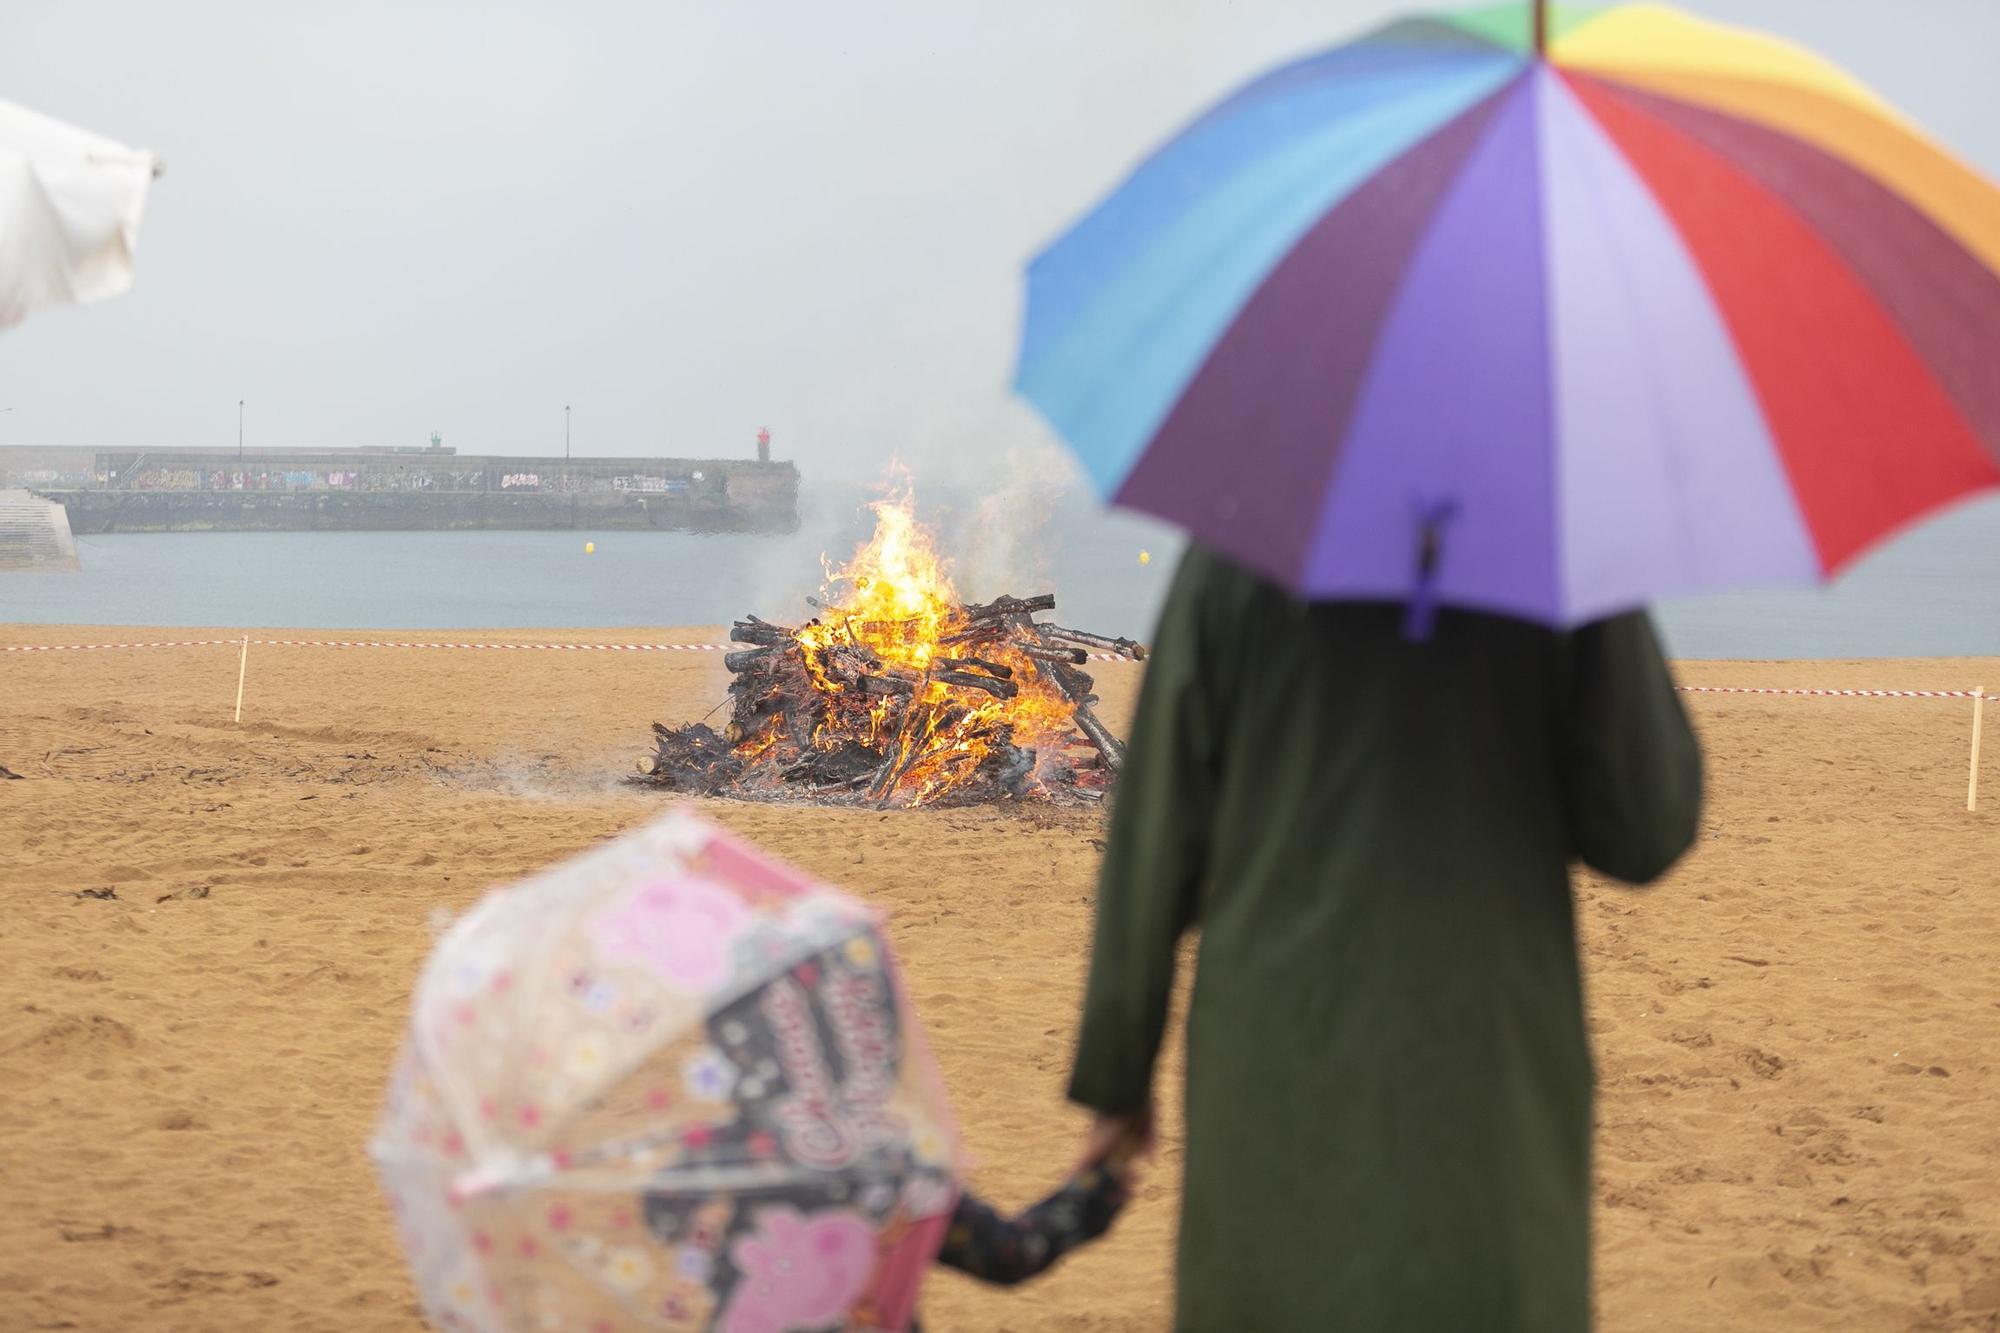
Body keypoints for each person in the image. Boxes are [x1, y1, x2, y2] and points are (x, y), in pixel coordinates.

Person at [1069, 546, 1702, 1331]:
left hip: (1276, 1071)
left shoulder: (1240, 550)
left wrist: (1117, 1076)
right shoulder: (1558, 550)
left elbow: (1156, 836)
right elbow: (1645, 827)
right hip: (1487, 1085)